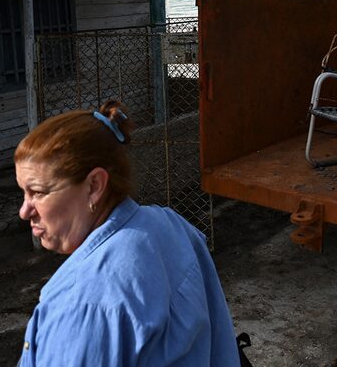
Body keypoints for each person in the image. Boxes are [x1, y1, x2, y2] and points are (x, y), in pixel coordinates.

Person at [14, 100, 240, 367]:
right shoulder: (169, 224)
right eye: (23, 193)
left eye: (38, 192)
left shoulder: (83, 305)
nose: (24, 211)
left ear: (94, 186)